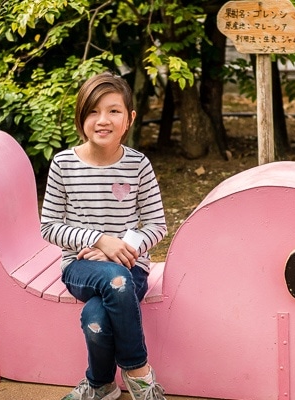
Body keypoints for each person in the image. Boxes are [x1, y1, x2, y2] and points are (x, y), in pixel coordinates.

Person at [40, 71, 168, 400]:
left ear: (130, 119)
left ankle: (101, 385)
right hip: (80, 265)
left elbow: (156, 225)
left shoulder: (138, 165)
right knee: (115, 280)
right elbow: (49, 226)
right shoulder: (63, 164)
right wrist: (99, 239)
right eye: (93, 111)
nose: (103, 120)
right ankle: (140, 375)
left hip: (131, 265)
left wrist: (118, 248)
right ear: (81, 118)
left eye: (113, 111)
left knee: (95, 315)